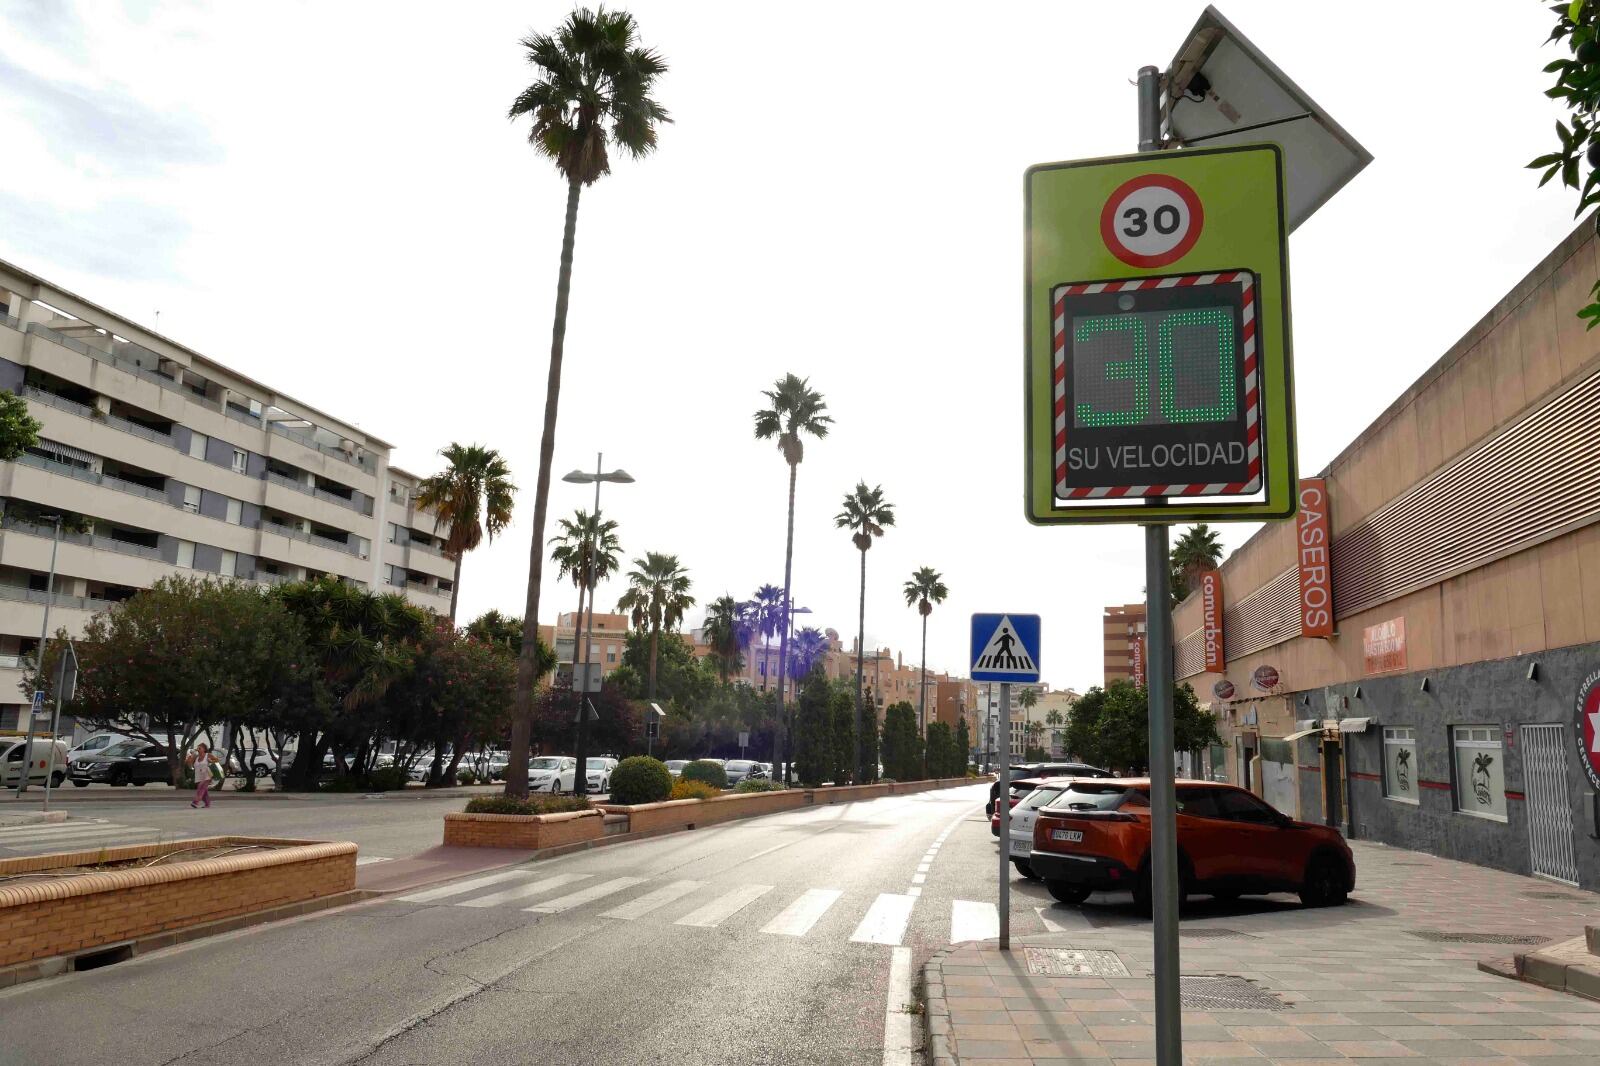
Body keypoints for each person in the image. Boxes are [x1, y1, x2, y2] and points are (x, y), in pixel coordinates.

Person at [186, 742, 220, 808]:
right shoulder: (196, 757)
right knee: (204, 791)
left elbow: (217, 760)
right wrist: (191, 756)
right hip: (199, 776)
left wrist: (210, 761)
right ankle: (207, 804)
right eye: (197, 748)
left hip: (207, 775)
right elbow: (188, 763)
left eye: (200, 748)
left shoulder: (208, 755)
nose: (198, 749)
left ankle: (195, 802)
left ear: (204, 749)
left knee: (201, 788)